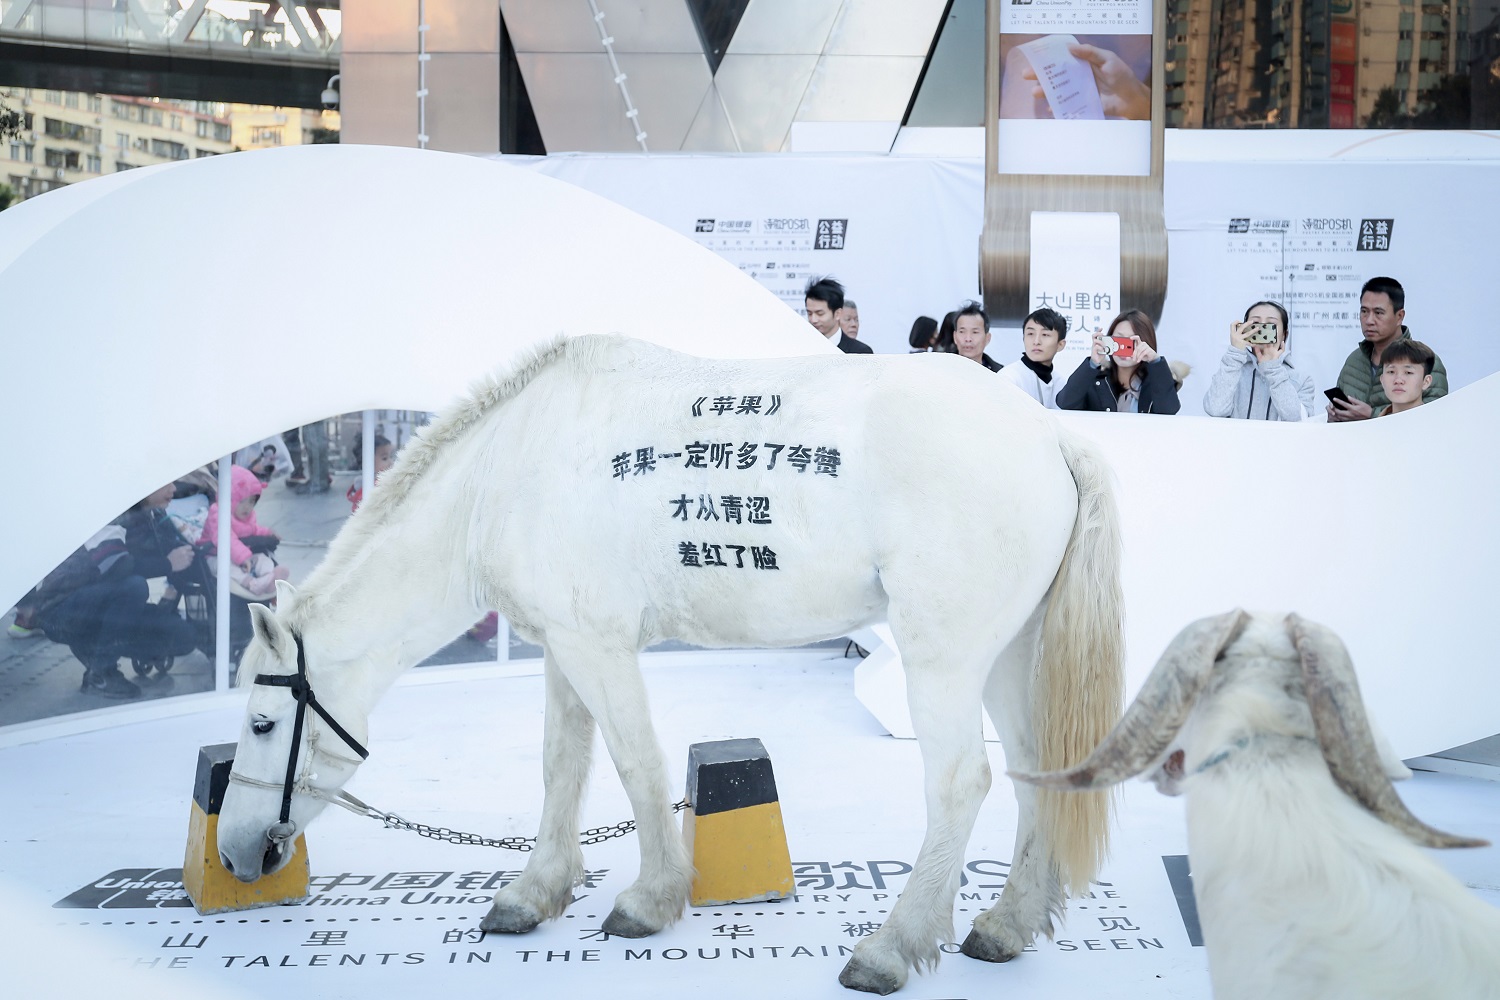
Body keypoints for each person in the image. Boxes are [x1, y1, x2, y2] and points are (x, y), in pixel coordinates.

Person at [31, 487, 201, 698]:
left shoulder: (153, 515)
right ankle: (101, 671)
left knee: (182, 635)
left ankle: (93, 652)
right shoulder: (112, 512)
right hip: (59, 609)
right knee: (134, 587)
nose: (174, 488)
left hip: (96, 601)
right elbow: (116, 565)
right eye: (166, 483)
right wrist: (168, 564)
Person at [1328, 276, 1448, 422]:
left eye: (1378, 313)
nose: (1369, 320)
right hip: (1354, 443)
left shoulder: (1425, 359)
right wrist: (1336, 417)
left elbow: (1435, 415)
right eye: (1364, 311)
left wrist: (1373, 414)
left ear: (1399, 316)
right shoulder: (1354, 360)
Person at [1202, 300, 1317, 421]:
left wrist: (1273, 368)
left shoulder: (1301, 379)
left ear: (1284, 334)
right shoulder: (1233, 370)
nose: (1262, 329)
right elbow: (1214, 409)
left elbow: (1297, 419)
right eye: (1255, 323)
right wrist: (1235, 353)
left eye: (1271, 324)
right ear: (1244, 329)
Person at [1058, 308, 1181, 414]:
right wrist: (1092, 364)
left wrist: (1155, 362)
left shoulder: (1158, 382)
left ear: (1146, 344)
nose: (1123, 347)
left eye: (1131, 342)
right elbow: (1065, 403)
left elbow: (1168, 410)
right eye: (1119, 339)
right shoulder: (1094, 379)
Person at [199, 465, 289, 598]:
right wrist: (243, 558)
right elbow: (225, 538)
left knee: (262, 559)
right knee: (226, 568)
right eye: (242, 501)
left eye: (252, 501)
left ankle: (269, 577)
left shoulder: (247, 515)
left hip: (240, 554)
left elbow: (252, 529)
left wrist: (267, 533)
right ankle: (251, 583)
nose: (247, 507)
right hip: (215, 555)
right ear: (230, 498)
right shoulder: (218, 513)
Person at [997, 307, 1068, 407]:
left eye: (1045, 334)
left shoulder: (1061, 383)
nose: (1036, 341)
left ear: (1060, 345)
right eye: (1030, 334)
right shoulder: (1009, 377)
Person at [805, 276, 871, 355]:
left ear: (837, 314)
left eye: (820, 314)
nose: (813, 320)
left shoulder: (860, 352)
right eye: (809, 313)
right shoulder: (800, 348)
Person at [1374, 339, 1437, 416]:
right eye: (1391, 372)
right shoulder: (1371, 427)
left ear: (1426, 381)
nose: (1398, 380)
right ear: (1382, 380)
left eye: (1408, 372)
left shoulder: (1439, 425)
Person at [347, 435, 395, 511]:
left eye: (391, 457)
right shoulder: (368, 488)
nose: (391, 462)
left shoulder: (382, 481)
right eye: (384, 458)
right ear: (368, 461)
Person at [952, 301, 1002, 372]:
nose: (968, 339)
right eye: (962, 332)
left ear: (987, 338)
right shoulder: (941, 370)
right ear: (955, 337)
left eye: (975, 332)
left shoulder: (1000, 374)